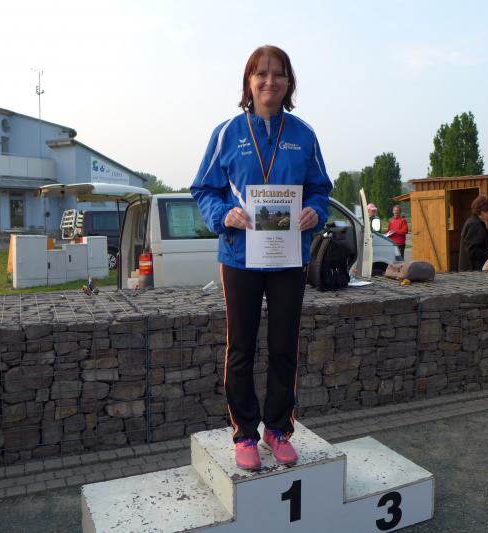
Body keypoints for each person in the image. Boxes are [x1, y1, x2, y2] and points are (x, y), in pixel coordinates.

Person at [190, 45, 332, 471]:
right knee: (241, 348)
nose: (270, 81)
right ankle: (245, 434)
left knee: (284, 346)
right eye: (262, 73)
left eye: (279, 73)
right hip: (240, 257)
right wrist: (223, 214)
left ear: (289, 83)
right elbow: (203, 189)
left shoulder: (304, 135)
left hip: (288, 257)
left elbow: (320, 189)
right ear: (248, 82)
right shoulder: (227, 133)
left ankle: (278, 429)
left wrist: (316, 211)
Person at [458, 195, 488, 271]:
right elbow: (473, 250)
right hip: (473, 270)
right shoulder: (475, 224)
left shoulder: (474, 222)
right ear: (482, 211)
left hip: (473, 270)